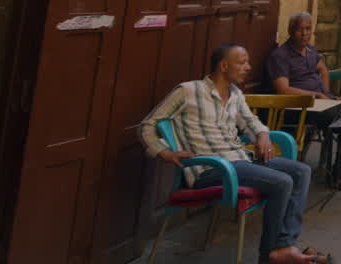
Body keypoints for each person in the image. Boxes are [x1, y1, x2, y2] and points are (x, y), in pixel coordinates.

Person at [139, 44, 330, 264]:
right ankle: (270, 255)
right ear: (223, 65)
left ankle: (284, 244)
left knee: (301, 171)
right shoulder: (188, 91)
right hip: (212, 169)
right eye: (242, 62)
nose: (248, 67)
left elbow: (250, 122)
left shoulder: (235, 94)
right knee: (282, 181)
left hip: (240, 160)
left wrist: (262, 135)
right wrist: (164, 152)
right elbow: (148, 125)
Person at [267, 12, 341, 189]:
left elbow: (323, 70)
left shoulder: (310, 51)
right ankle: (338, 176)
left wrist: (327, 94)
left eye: (308, 29)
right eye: (300, 30)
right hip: (300, 107)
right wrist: (315, 95)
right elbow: (283, 89)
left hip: (321, 102)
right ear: (291, 31)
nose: (305, 33)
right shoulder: (280, 55)